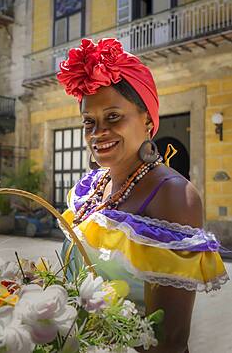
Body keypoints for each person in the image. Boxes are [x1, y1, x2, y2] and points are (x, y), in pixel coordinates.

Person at [57, 38, 229, 353]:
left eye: (113, 117)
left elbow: (169, 340)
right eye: (89, 122)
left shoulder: (173, 196)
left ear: (147, 120)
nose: (98, 133)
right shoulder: (90, 186)